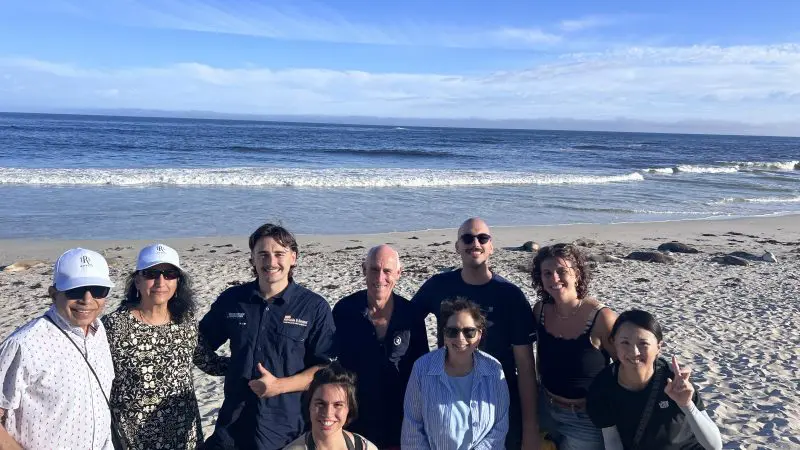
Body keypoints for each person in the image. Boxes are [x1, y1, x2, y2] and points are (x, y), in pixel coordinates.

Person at [201, 223, 337, 450]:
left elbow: (325, 370)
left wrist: (279, 386)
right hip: (233, 425)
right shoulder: (233, 300)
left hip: (287, 429)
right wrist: (228, 366)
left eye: (279, 254)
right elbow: (198, 342)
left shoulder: (314, 307)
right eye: (263, 254)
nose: (271, 262)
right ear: (252, 258)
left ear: (293, 257)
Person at [411, 217, 538, 449]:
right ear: (457, 246)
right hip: (446, 396)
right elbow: (406, 321)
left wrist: (531, 429)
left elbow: (526, 367)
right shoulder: (438, 286)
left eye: (482, 238)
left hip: (497, 402)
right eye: (467, 238)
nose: (475, 243)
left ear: (491, 246)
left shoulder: (510, 295)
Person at [102, 243, 229, 449]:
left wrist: (254, 363)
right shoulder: (114, 326)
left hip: (183, 435)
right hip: (134, 439)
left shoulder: (185, 321)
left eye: (169, 274)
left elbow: (210, 363)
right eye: (152, 274)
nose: (161, 281)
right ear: (137, 280)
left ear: (178, 281)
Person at [0, 248, 115, 449]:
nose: (87, 300)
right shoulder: (23, 345)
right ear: (53, 294)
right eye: (75, 290)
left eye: (98, 290)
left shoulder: (99, 331)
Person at [333, 245, 429, 450]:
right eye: (374, 269)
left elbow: (422, 366)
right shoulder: (344, 310)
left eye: (387, 271)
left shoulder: (410, 315)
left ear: (398, 273)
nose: (380, 277)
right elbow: (333, 366)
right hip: (355, 415)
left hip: (400, 416)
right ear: (363, 270)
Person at [587, 310, 723, 450]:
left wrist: (687, 405)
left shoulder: (675, 379)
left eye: (643, 343)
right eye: (625, 342)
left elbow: (714, 446)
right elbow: (612, 441)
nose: (634, 352)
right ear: (614, 343)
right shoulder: (602, 386)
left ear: (659, 347)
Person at [530, 243, 618, 450]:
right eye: (547, 273)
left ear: (577, 274)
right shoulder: (540, 310)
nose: (554, 279)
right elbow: (539, 358)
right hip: (545, 408)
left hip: (585, 418)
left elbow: (624, 366)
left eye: (562, 271)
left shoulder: (601, 317)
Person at [402, 297, 509, 449]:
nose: (460, 338)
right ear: (444, 335)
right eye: (452, 331)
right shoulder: (422, 369)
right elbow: (412, 430)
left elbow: (499, 428)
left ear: (479, 335)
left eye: (469, 332)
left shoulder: (493, 369)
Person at [283, 362, 379, 450]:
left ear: (349, 408)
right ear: (309, 405)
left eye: (338, 405)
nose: (328, 413)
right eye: (320, 404)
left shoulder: (365, 447)